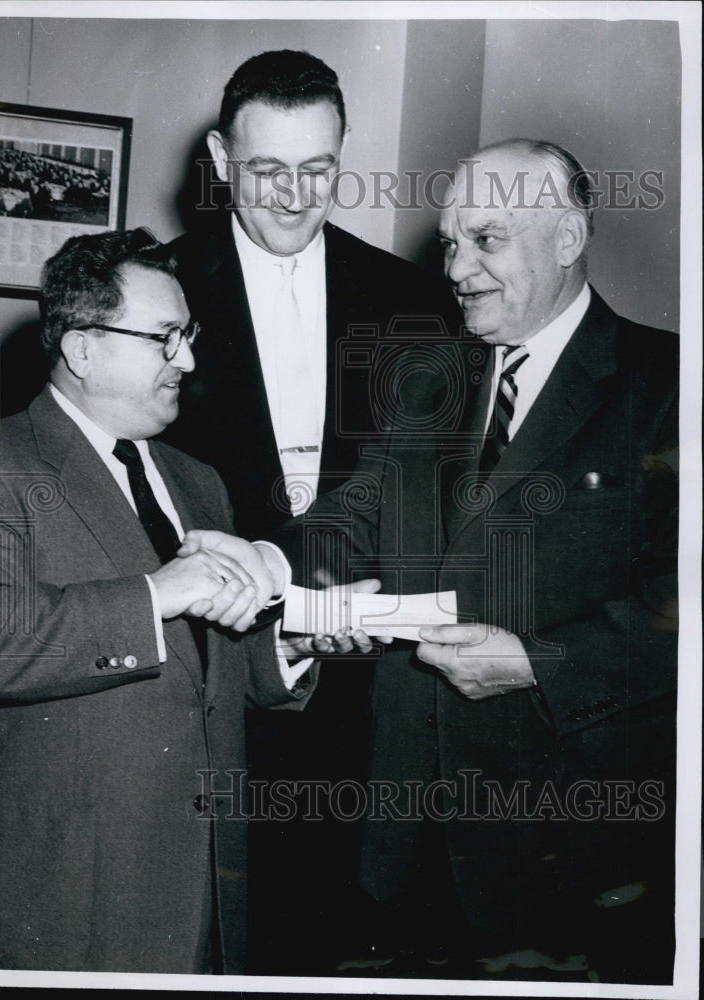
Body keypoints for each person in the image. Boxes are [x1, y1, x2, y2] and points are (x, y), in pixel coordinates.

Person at [206, 138, 679, 982]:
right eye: (452, 242)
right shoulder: (429, 375)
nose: (457, 269)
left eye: (486, 240)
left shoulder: (672, 384)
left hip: (570, 840)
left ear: (568, 238)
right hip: (404, 832)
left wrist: (537, 662)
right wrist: (271, 566)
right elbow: (354, 514)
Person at [0, 228, 323, 974]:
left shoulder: (198, 480)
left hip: (201, 884)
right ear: (82, 350)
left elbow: (201, 671)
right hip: (60, 892)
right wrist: (157, 591)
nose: (189, 360)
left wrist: (287, 648)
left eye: (188, 335)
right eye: (164, 338)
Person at [163, 48, 460, 973]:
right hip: (203, 674)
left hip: (362, 689)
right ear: (221, 159)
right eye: (267, 170)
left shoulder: (412, 298)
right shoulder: (154, 289)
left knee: (333, 938)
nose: (295, 197)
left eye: (319, 169)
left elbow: (425, 490)